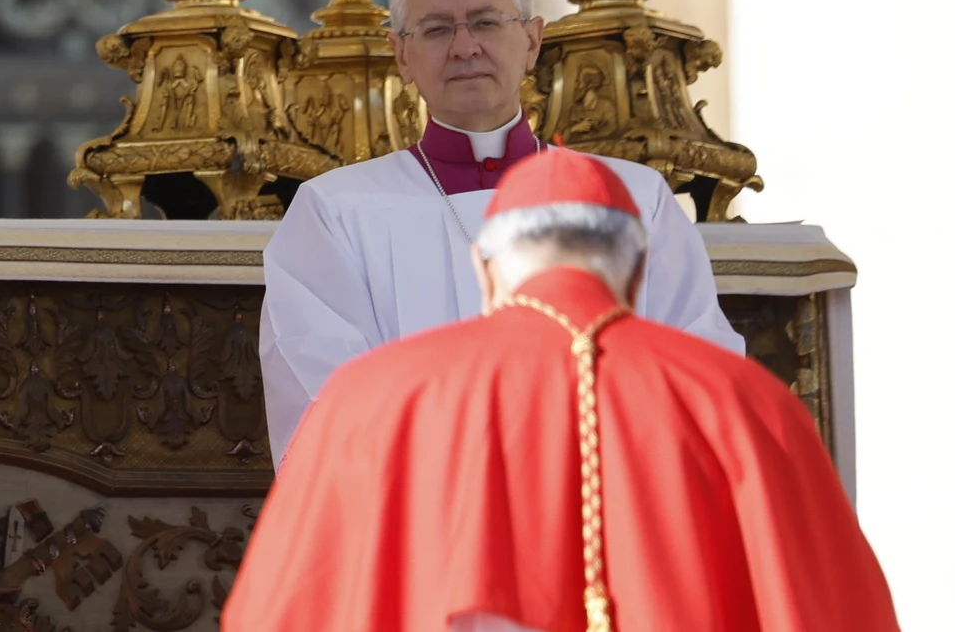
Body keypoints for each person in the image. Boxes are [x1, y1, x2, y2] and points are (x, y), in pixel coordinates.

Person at [225, 148, 897, 632]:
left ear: (487, 270)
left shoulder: (368, 401)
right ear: (636, 272)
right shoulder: (743, 403)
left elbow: (287, 606)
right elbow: (832, 605)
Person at [258, 0, 741, 462]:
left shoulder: (633, 199)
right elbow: (326, 398)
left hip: (598, 514)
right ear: (402, 53)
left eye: (486, 23)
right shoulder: (334, 213)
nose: (464, 47)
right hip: (426, 523)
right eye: (437, 28)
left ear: (532, 41)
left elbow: (695, 366)